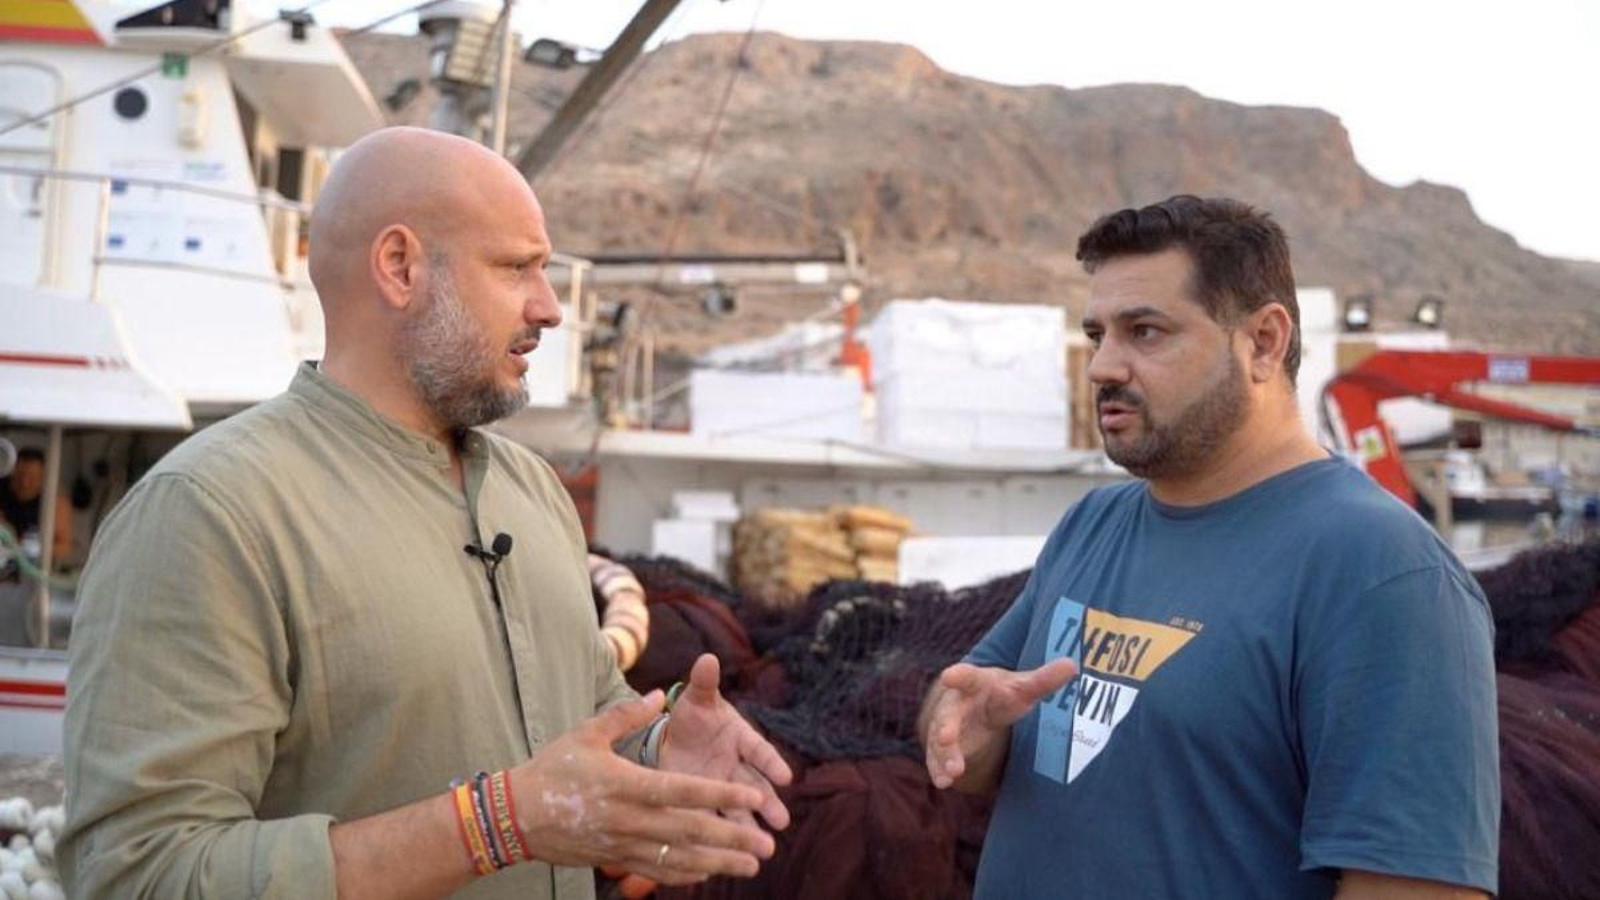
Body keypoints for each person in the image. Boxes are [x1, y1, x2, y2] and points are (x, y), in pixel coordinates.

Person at [59, 127, 792, 900]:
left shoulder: (533, 491)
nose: (549, 308)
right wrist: (494, 823)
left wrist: (657, 751)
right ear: (400, 267)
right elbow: (139, 873)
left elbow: (584, 714)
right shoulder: (210, 514)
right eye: (516, 268)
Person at [920, 196, 1499, 899]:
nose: (1102, 366)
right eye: (1097, 334)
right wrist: (965, 727)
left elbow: (1414, 887)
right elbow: (978, 718)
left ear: (1263, 342)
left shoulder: (1383, 573)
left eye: (1145, 332)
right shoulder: (1091, 524)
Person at [0, 446, 73, 561]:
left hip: (35, 563)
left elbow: (64, 547)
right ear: (12, 473)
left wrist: (33, 549)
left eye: (33, 478)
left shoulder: (55, 501)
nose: (25, 483)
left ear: (43, 477)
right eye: (20, 476)